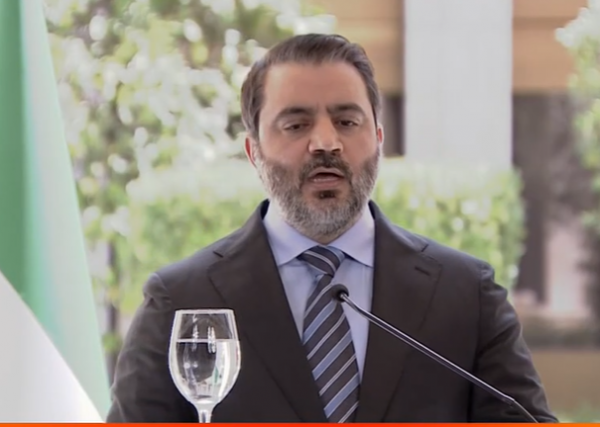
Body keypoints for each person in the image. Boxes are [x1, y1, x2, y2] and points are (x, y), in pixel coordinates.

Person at [106, 33, 557, 423]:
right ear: (253, 151)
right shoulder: (182, 300)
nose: (326, 143)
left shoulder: (466, 295)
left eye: (347, 121)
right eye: (296, 124)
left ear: (378, 138)